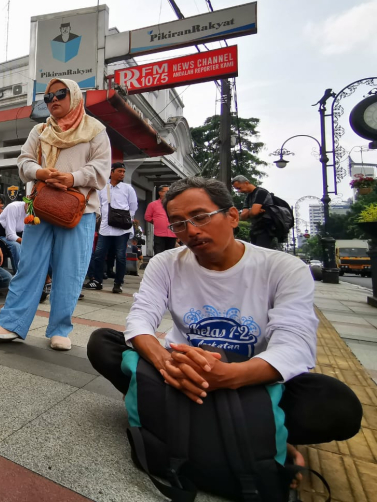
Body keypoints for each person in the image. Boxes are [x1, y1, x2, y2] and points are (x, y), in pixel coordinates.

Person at [87, 177, 362, 467]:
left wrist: (227, 376)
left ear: (232, 216)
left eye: (201, 217)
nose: (191, 231)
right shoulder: (165, 263)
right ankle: (259, 427)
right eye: (179, 223)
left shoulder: (284, 268)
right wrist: (165, 364)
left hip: (252, 378)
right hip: (178, 369)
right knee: (103, 342)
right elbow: (141, 319)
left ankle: (173, 410)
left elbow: (294, 346)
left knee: (337, 405)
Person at [0, 78, 111, 351]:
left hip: (79, 210)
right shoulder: (39, 130)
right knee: (29, 266)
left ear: (74, 96)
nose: (53, 100)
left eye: (60, 94)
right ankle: (11, 323)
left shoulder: (96, 131)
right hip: (39, 208)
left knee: (70, 271)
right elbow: (24, 162)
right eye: (48, 97)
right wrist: (40, 172)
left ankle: (60, 328)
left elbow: (101, 170)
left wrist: (71, 177)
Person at [87, 162, 137, 293]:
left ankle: (118, 283)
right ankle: (97, 281)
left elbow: (133, 207)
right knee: (98, 254)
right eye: (120, 171)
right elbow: (97, 204)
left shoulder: (128, 188)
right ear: (112, 172)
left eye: (124, 172)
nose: (122, 174)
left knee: (120, 256)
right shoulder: (103, 187)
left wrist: (124, 220)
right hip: (105, 227)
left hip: (123, 229)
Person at [232, 175, 276, 249]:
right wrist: (252, 210)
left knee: (261, 252)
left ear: (246, 183)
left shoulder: (261, 192)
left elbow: (254, 212)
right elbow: (243, 216)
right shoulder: (248, 197)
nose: (239, 191)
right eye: (237, 189)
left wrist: (251, 211)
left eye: (239, 188)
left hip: (265, 229)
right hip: (255, 228)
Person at [145, 184, 176, 255]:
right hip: (159, 234)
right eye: (166, 191)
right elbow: (147, 217)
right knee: (159, 255)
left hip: (172, 234)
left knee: (171, 255)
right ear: (160, 192)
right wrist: (157, 222)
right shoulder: (153, 204)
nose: (168, 193)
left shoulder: (173, 203)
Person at [0, 198, 24, 271]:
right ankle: (19, 275)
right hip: (2, 234)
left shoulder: (36, 213)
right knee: (16, 246)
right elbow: (10, 235)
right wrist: (25, 242)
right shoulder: (14, 207)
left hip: (19, 235)